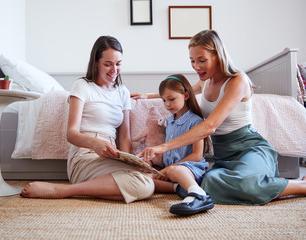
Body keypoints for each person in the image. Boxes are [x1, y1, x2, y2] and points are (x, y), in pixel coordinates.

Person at [134, 30, 306, 212]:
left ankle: (300, 186)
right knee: (208, 182)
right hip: (224, 156)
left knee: (246, 183)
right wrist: (148, 95)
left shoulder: (237, 81)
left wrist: (162, 147)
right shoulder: (204, 83)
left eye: (202, 60)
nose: (196, 67)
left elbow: (210, 126)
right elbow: (182, 92)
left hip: (249, 149)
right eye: (192, 61)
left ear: (218, 56)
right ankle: (259, 183)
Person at [20, 36, 154, 203]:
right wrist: (94, 143)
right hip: (85, 154)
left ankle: (181, 186)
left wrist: (128, 161)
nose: (114, 69)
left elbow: (124, 136)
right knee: (144, 184)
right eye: (108, 64)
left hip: (112, 154)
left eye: (118, 64)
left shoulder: (123, 92)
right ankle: (61, 190)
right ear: (96, 63)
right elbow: (71, 133)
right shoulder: (83, 86)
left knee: (145, 178)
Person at [148, 74, 214, 216]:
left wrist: (169, 169)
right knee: (145, 179)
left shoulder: (195, 121)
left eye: (171, 99)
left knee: (174, 171)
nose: (167, 104)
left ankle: (199, 195)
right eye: (164, 100)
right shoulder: (169, 120)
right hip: (170, 171)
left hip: (190, 169)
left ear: (185, 96)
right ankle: (181, 188)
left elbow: (196, 156)